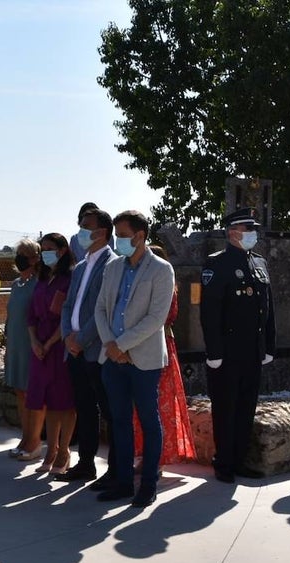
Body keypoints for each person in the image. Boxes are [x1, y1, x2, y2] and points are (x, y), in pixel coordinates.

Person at [94, 210, 175, 507]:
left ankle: (149, 484)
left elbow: (156, 318)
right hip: (113, 359)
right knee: (119, 421)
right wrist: (112, 346)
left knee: (148, 421)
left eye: (123, 235)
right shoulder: (114, 268)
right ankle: (124, 482)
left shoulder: (161, 269)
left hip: (144, 360)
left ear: (140, 236)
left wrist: (123, 345)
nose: (118, 241)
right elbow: (101, 309)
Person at [200, 207, 276, 483]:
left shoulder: (259, 263)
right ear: (232, 233)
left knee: (246, 408)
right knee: (226, 408)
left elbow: (267, 308)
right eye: (248, 230)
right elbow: (210, 312)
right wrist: (214, 351)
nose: (253, 234)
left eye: (253, 230)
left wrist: (269, 344)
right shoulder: (216, 264)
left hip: (252, 351)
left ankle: (240, 460)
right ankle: (224, 463)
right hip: (228, 352)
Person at [57, 208, 119, 485]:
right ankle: (86, 463)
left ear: (102, 232)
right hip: (74, 350)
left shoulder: (113, 265)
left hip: (96, 350)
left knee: (109, 410)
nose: (81, 231)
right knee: (84, 408)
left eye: (86, 226)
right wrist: (67, 336)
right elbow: (69, 304)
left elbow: (102, 312)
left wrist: (80, 340)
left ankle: (116, 468)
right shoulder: (81, 266)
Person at [133, 244, 196, 467]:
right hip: (144, 344)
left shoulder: (167, 287)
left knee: (160, 402)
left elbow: (165, 317)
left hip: (160, 345)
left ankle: (156, 458)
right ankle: (144, 453)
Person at [26, 233, 77, 473]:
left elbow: (67, 317)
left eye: (49, 248)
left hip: (60, 346)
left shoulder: (70, 279)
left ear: (62, 251)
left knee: (63, 401)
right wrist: (35, 341)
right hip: (40, 348)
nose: (44, 252)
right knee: (46, 400)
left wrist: (48, 344)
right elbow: (31, 315)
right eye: (42, 248)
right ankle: (50, 448)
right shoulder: (42, 279)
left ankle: (64, 450)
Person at [4, 238, 44, 459]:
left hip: (32, 344)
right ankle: (25, 437)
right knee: (20, 391)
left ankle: (35, 441)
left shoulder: (39, 283)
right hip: (16, 344)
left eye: (24, 254)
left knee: (33, 393)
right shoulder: (17, 284)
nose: (19, 258)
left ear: (34, 258)